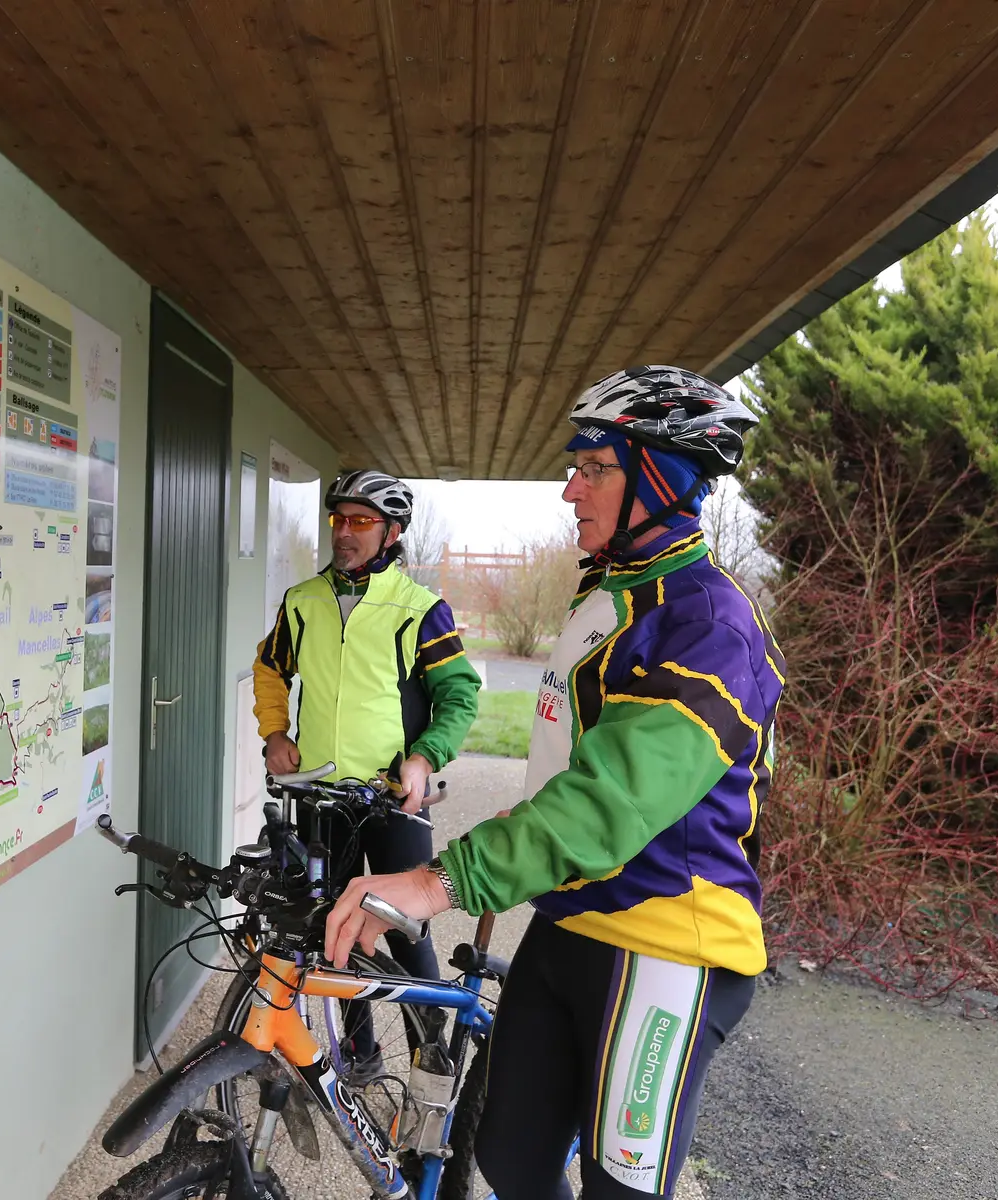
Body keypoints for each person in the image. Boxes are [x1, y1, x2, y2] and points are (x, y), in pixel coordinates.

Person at [324, 367, 782, 1199]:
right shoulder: (609, 596)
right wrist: (520, 826)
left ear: (661, 479)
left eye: (596, 467)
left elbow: (609, 804)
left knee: (619, 1192)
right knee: (510, 1158)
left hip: (667, 945)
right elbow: (576, 766)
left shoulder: (706, 625)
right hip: (572, 918)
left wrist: (440, 881)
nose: (572, 487)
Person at [253, 469, 480, 1010]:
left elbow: (459, 695)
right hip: (322, 796)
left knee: (407, 932)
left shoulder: (420, 609)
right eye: (338, 519)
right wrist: (275, 731)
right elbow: (269, 669)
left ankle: (431, 1057)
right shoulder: (302, 601)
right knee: (336, 932)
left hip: (391, 798)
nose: (344, 533)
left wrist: (424, 758)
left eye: (360, 521)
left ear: (392, 533)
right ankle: (358, 1054)